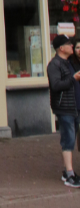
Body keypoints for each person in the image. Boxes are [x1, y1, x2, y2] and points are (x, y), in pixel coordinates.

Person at [48, 34, 80, 186]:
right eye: (69, 44)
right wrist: (73, 79)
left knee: (73, 139)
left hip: (74, 107)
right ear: (61, 48)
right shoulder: (55, 64)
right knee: (68, 140)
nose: (72, 46)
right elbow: (55, 85)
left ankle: (70, 172)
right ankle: (69, 174)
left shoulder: (69, 63)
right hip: (65, 108)